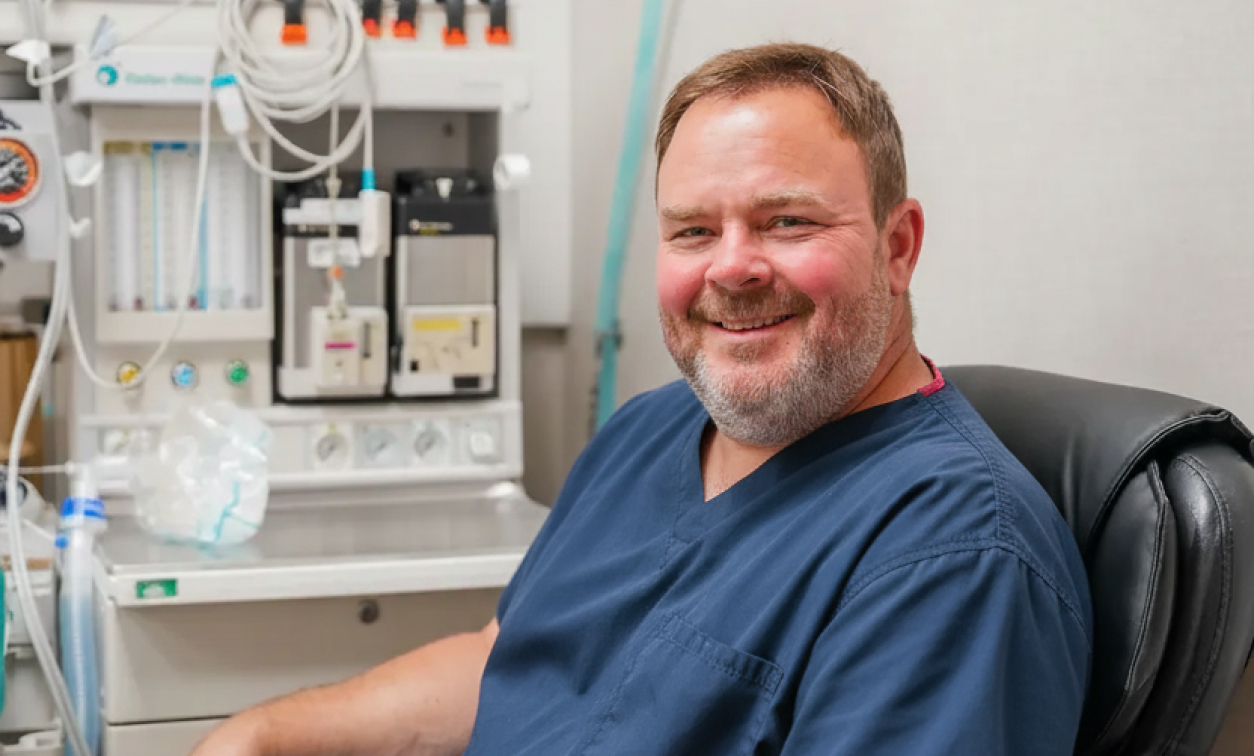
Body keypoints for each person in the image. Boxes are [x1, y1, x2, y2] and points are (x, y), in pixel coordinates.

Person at [192, 42, 1092, 756]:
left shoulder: (950, 552)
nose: (732, 267)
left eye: (787, 220)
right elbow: (509, 661)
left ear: (898, 247)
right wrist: (264, 735)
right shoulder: (650, 429)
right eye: (694, 231)